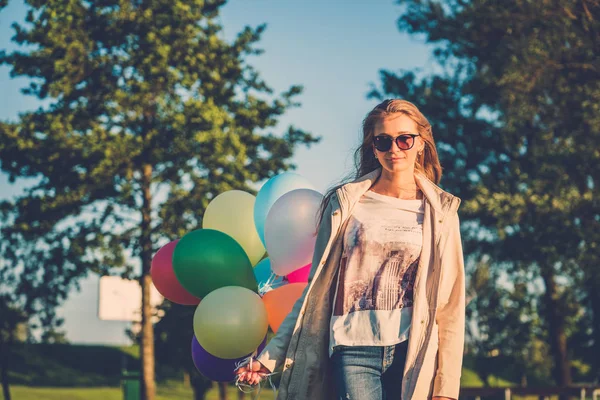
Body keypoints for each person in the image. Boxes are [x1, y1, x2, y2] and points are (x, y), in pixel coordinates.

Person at [236, 99, 465, 400]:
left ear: (421, 143)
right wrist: (270, 357)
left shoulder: (441, 211)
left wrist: (446, 388)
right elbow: (314, 292)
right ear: (373, 147)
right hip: (353, 351)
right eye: (383, 141)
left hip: (412, 353)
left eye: (404, 139)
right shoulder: (346, 204)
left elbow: (450, 307)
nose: (394, 149)